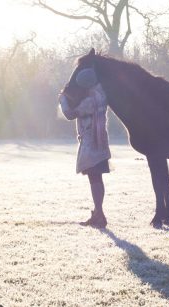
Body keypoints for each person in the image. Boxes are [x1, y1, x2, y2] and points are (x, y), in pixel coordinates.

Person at [59, 68, 111, 229]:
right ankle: (98, 213)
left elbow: (69, 114)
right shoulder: (100, 95)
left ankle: (100, 215)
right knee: (96, 178)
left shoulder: (90, 100)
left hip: (91, 142)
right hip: (99, 140)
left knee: (94, 177)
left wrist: (63, 100)